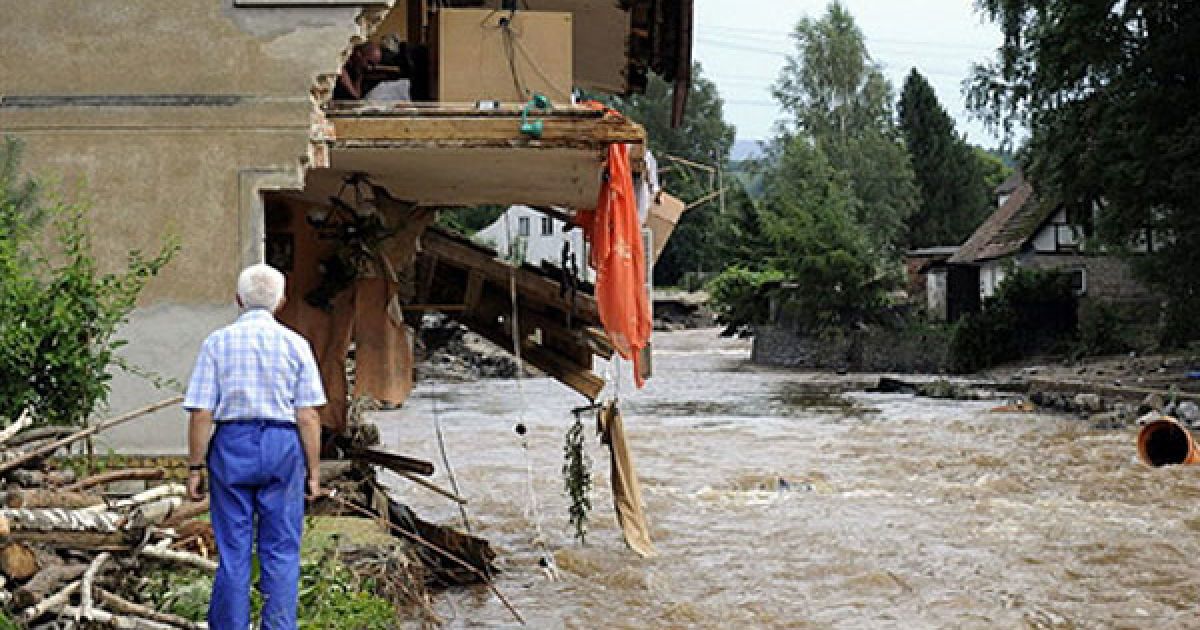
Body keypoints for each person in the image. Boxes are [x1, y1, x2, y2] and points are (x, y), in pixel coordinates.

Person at [183, 264, 326, 629]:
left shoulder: (217, 342)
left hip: (232, 443)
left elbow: (202, 412)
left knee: (234, 550)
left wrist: (195, 467)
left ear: (238, 300)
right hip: (282, 444)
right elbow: (308, 416)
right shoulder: (296, 344)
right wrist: (314, 472)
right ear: (281, 301)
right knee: (281, 549)